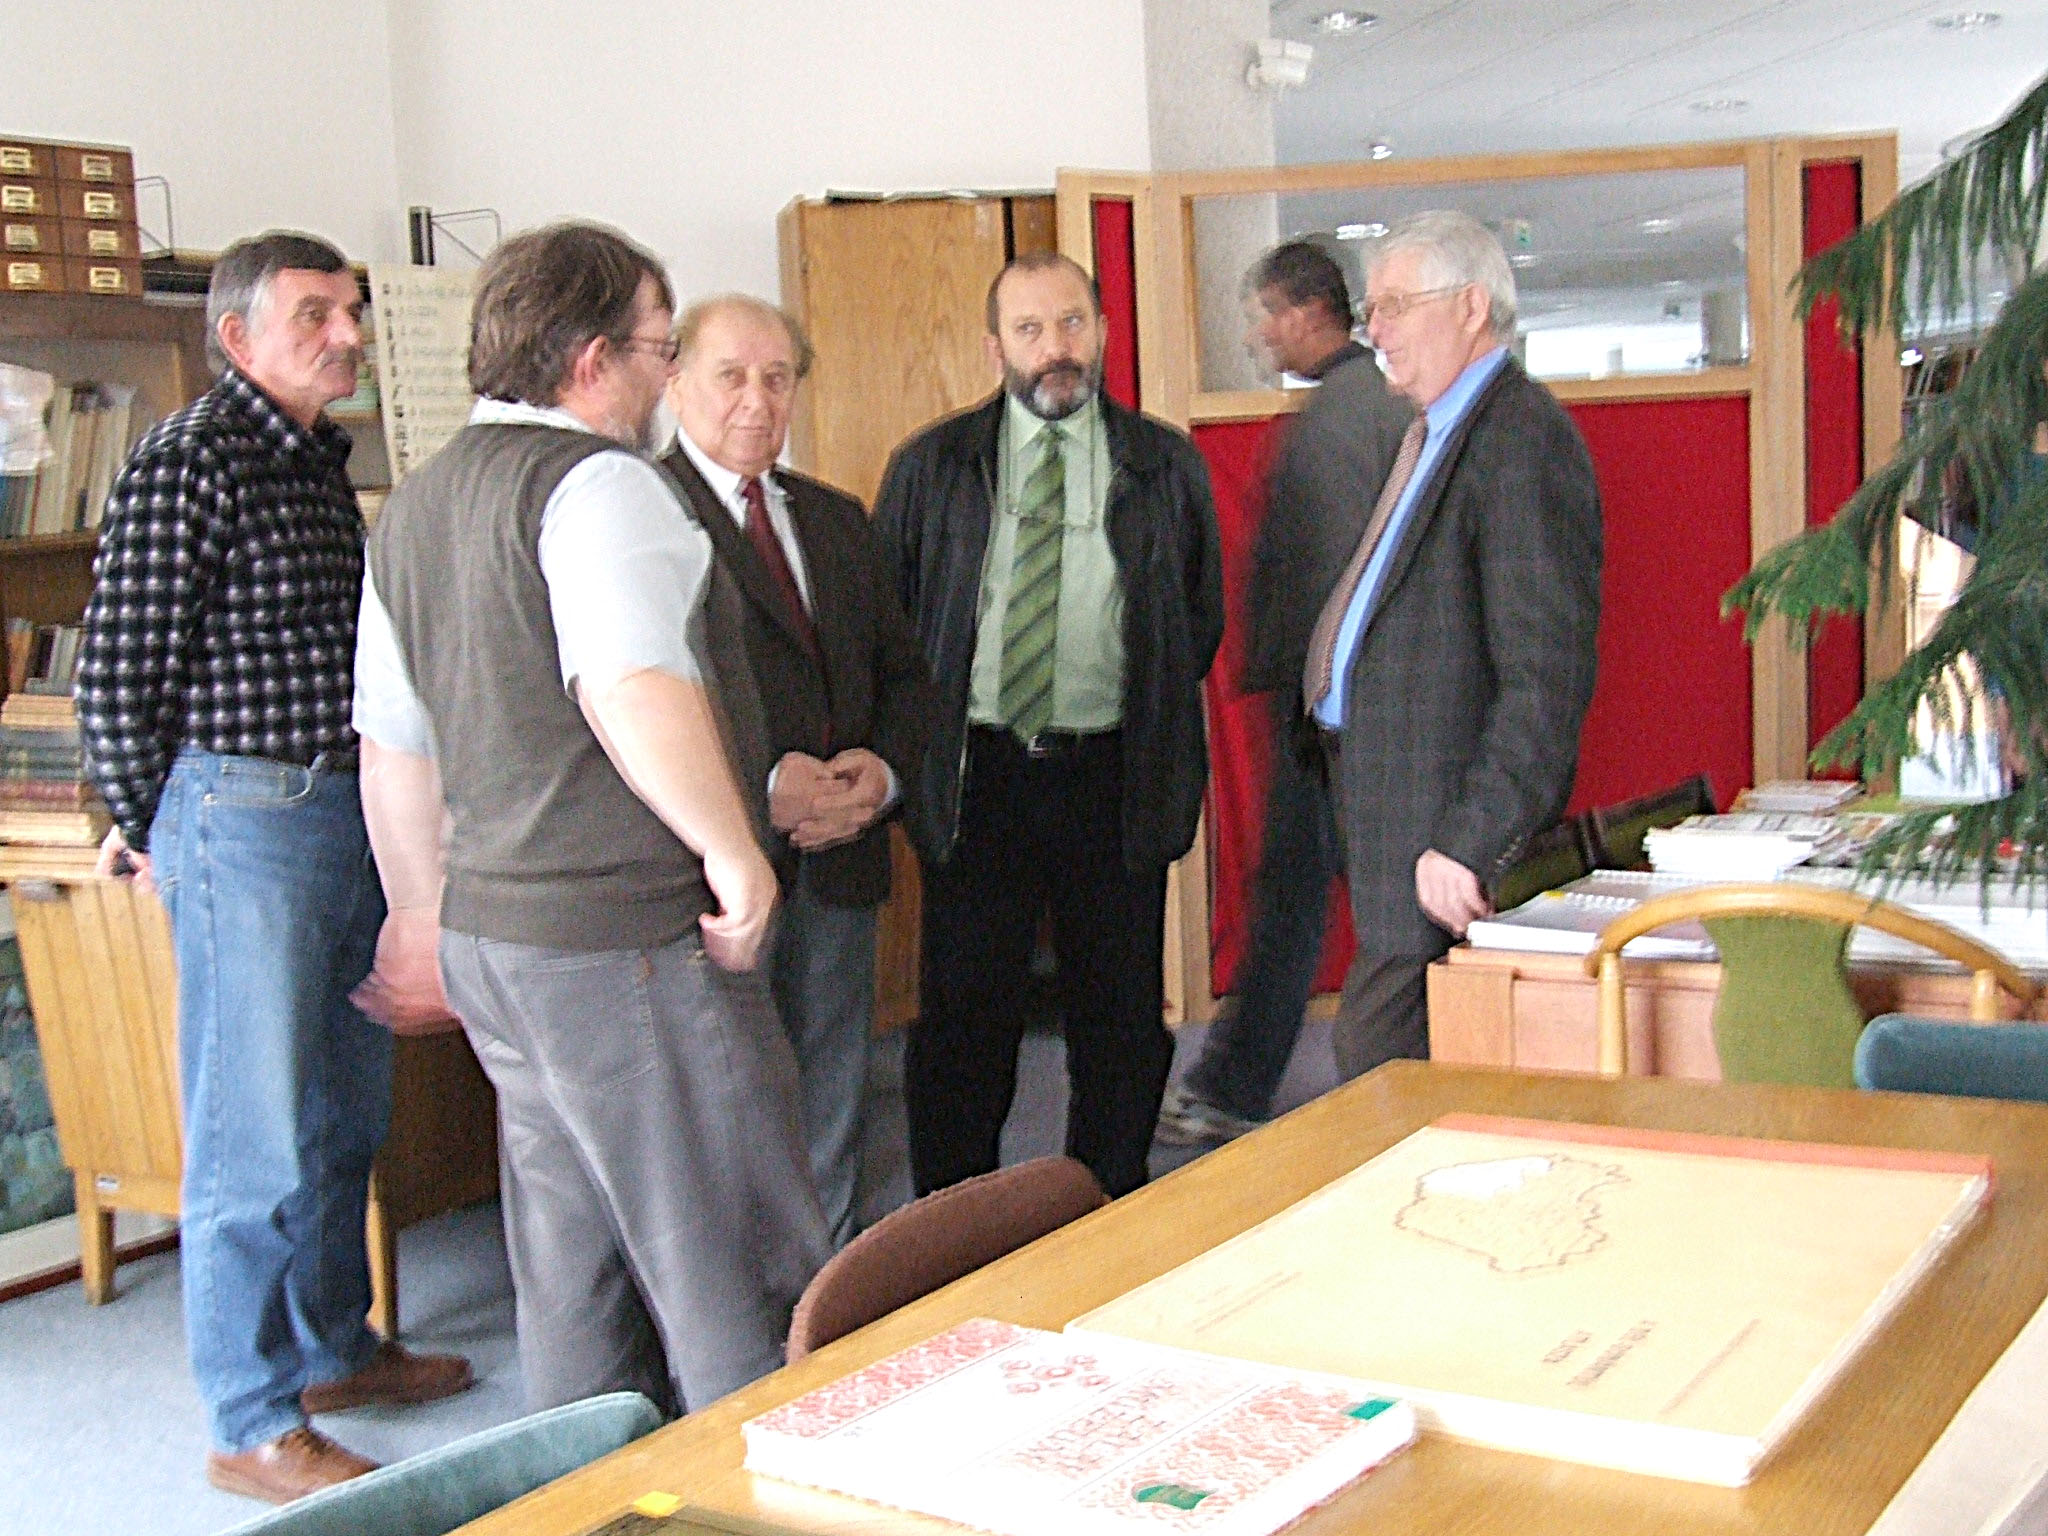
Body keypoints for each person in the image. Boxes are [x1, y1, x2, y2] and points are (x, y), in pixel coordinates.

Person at [350, 222, 830, 1419]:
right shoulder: (601, 484)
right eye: (659, 351)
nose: (665, 380)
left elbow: (394, 742)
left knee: (571, 1269)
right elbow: (628, 685)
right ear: (588, 359)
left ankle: (585, 1481)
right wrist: (733, 853)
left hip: (495, 945)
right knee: (729, 1251)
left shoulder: (414, 506)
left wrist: (419, 913)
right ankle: (759, 1480)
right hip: (625, 940)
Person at [74, 231, 471, 1505]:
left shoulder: (311, 460)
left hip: (340, 811)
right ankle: (249, 1420)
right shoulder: (189, 459)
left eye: (351, 313)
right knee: (251, 1135)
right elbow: (115, 673)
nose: (349, 336)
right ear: (237, 335)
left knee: (342, 1113)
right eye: (316, 315)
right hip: (244, 817)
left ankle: (332, 1350)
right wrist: (152, 824)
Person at [874, 252, 1223, 1200]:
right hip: (976, 778)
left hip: (1113, 775)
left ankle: (1107, 1211)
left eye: (1072, 323)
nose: (1055, 348)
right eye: (1029, 329)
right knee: (965, 1023)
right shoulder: (932, 466)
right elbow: (891, 626)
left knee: (1119, 1020)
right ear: (996, 348)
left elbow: (1195, 622)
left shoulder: (1164, 463)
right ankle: (955, 1224)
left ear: (1102, 330)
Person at [658, 294, 931, 1246]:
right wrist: (761, 791)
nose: (757, 400)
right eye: (731, 376)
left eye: (778, 379)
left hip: (843, 859)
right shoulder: (643, 513)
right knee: (722, 1100)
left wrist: (882, 775)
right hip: (714, 876)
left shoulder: (835, 518)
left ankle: (824, 1277)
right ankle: (738, 1300)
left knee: (832, 1083)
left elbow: (905, 676)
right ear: (674, 381)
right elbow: (633, 701)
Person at [1304, 210, 1602, 1080]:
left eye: (1397, 305)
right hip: (1392, 811)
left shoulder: (1521, 441)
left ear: (1472, 306)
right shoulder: (1436, 432)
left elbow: (1544, 678)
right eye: (1372, 309)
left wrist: (1474, 838)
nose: (1376, 330)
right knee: (1391, 1068)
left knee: (1378, 1067)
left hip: (1444, 838)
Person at [1156, 240, 1413, 1146]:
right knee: (1318, 894)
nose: (1258, 336)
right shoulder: (1369, 403)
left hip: (1329, 712)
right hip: (1350, 707)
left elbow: (1335, 578)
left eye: (1264, 315)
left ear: (1305, 312)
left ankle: (1233, 1085)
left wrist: (1308, 701)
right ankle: (1238, 1080)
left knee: (1296, 896)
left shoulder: (1339, 418)